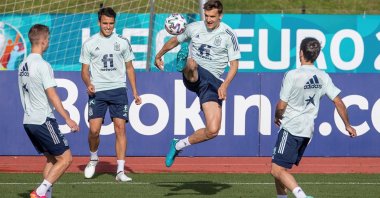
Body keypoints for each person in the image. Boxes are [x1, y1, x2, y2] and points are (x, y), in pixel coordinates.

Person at [155, 0, 241, 167]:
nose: (208, 20)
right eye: (207, 16)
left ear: (220, 16)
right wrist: (159, 55)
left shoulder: (228, 35)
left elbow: (234, 65)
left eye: (212, 17)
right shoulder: (194, 27)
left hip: (213, 83)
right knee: (192, 64)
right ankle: (184, 63)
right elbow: (174, 41)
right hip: (193, 75)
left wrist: (225, 85)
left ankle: (178, 145)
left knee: (213, 130)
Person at [270, 37, 357, 198]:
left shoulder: (292, 75)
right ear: (316, 55)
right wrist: (347, 125)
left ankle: (301, 195)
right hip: (307, 131)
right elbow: (339, 102)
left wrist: (277, 117)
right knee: (281, 168)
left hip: (290, 128)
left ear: (301, 53)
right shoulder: (323, 76)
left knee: (276, 169)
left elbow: (281, 105)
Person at [80, 7, 141, 182]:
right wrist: (88, 83)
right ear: (99, 22)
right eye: (105, 23)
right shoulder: (90, 43)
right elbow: (84, 71)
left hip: (118, 90)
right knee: (94, 130)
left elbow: (129, 68)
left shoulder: (122, 42)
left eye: (111, 23)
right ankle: (93, 158)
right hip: (97, 91)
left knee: (120, 128)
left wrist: (135, 91)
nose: (108, 27)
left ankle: (120, 171)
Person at [18, 24, 80, 198]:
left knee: (53, 159)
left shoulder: (23, 64)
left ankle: (45, 195)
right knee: (66, 159)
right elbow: (53, 96)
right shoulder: (43, 65)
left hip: (29, 121)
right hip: (43, 119)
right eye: (49, 39)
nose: (49, 42)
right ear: (44, 41)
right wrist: (67, 118)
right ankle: (39, 193)